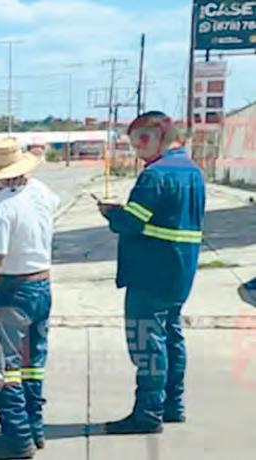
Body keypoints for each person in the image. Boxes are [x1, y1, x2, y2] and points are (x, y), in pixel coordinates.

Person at [99, 111, 205, 434]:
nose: (137, 152)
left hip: (151, 271)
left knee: (147, 341)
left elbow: (132, 223)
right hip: (180, 270)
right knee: (171, 335)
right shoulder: (193, 171)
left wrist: (112, 214)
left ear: (153, 138)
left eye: (138, 144)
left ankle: (147, 412)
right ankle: (173, 404)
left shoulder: (154, 175)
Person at [0, 137, 59, 460]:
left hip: (12, 291)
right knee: (32, 363)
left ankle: (17, 438)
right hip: (42, 285)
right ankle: (34, 427)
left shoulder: (1, 206)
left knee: (5, 367)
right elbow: (52, 202)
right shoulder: (40, 192)